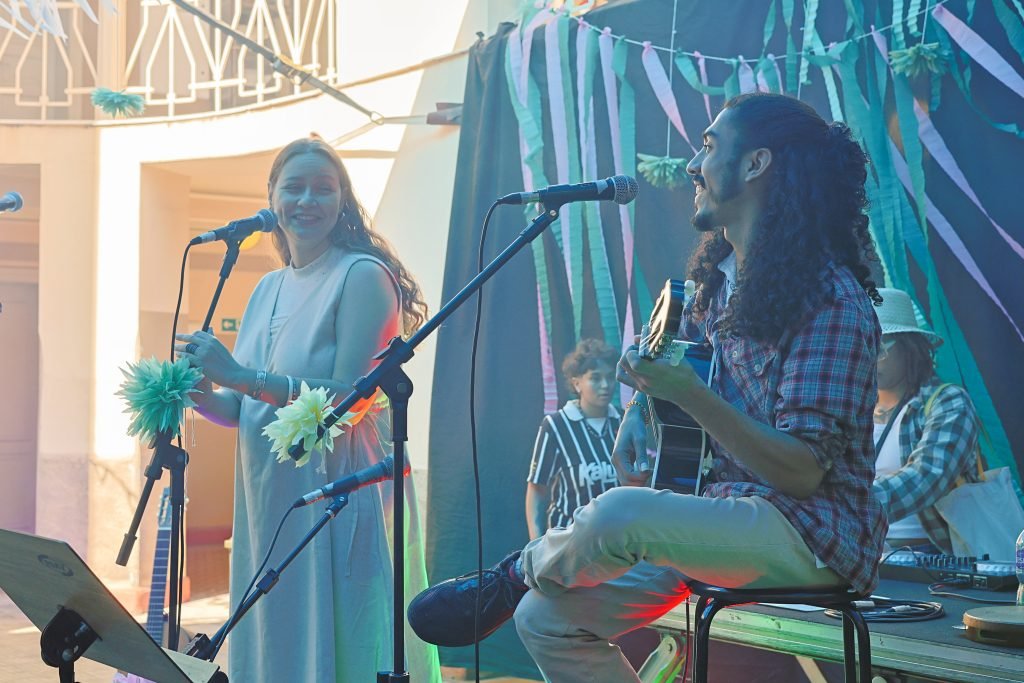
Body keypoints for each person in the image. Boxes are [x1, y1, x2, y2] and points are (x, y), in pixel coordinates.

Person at [407, 93, 887, 683]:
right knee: (543, 617)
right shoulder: (718, 285)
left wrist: (686, 394)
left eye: (709, 147)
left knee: (621, 513)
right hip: (728, 513)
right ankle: (522, 585)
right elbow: (669, 371)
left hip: (814, 537)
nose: (692, 165)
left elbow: (803, 471)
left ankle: (512, 573)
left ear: (757, 165)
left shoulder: (829, 299)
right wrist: (644, 405)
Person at [175, 135, 440, 682]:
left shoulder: (361, 275)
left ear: (343, 200)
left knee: (346, 635)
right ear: (271, 200)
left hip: (338, 489)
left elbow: (349, 395)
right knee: (278, 632)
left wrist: (241, 377)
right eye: (293, 188)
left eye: (324, 189)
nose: (307, 201)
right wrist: (190, 391)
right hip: (269, 499)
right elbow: (242, 407)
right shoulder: (267, 287)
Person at [871, 287, 981, 554]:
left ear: (911, 347)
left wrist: (845, 507)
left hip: (933, 557)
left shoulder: (948, 402)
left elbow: (927, 477)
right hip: (862, 556)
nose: (869, 358)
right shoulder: (850, 408)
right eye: (860, 345)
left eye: (881, 346)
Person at [526, 339, 620, 540]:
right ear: (577, 383)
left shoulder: (622, 423)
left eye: (610, 377)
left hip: (614, 546)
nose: (605, 385)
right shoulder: (556, 425)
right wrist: (536, 544)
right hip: (566, 543)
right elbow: (537, 489)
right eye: (595, 378)